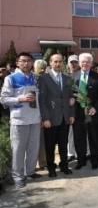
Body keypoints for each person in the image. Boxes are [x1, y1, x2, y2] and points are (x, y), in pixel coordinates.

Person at [0, 52, 43, 188]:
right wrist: (21, 99)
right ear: (17, 63)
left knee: (33, 147)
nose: (26, 63)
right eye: (23, 61)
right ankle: (18, 176)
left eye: (28, 61)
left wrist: (41, 116)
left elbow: (39, 99)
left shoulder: (34, 78)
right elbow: (3, 99)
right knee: (18, 149)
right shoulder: (11, 78)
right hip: (19, 120)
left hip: (35, 118)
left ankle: (30, 171)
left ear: (32, 63)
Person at [38, 54, 76, 178]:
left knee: (63, 143)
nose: (58, 64)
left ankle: (64, 165)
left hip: (65, 117)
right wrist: (45, 118)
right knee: (50, 145)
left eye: (60, 61)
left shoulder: (67, 77)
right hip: (51, 118)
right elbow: (42, 99)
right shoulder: (44, 78)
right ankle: (51, 167)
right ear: (50, 62)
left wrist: (71, 114)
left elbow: (71, 97)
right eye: (55, 61)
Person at [71, 53, 98, 170]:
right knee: (79, 137)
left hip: (92, 112)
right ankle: (81, 160)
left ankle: (95, 160)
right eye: (83, 62)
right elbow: (70, 94)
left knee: (93, 137)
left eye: (87, 62)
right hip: (78, 112)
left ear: (91, 63)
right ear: (79, 63)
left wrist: (95, 108)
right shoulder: (72, 76)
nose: (85, 64)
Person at [33, 59, 48, 170]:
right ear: (34, 68)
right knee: (31, 142)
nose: (42, 70)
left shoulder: (48, 79)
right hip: (30, 115)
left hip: (44, 114)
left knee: (42, 141)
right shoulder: (31, 79)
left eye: (44, 68)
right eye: (39, 67)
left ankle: (43, 163)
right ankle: (30, 166)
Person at [67, 54, 80, 162]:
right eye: (72, 62)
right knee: (70, 131)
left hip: (81, 106)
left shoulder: (82, 75)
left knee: (83, 131)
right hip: (69, 107)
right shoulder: (65, 76)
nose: (74, 64)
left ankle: (86, 151)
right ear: (68, 64)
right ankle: (71, 153)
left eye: (75, 62)